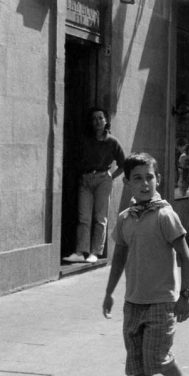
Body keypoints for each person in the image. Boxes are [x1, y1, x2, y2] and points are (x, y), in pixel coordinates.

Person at [102, 153, 189, 376]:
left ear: (158, 179)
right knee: (137, 361)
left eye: (150, 177)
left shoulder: (164, 215)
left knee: (157, 358)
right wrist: (109, 292)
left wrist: (185, 296)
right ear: (128, 184)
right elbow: (119, 257)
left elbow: (186, 257)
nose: (145, 183)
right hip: (134, 301)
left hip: (161, 300)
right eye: (138, 178)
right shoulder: (125, 218)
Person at [64, 107, 126, 264]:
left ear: (106, 121)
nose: (97, 121)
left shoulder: (112, 142)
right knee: (83, 217)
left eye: (100, 118)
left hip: (103, 179)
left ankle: (95, 252)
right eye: (94, 119)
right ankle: (80, 252)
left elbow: (124, 163)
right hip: (85, 179)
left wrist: (112, 176)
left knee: (100, 217)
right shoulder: (86, 139)